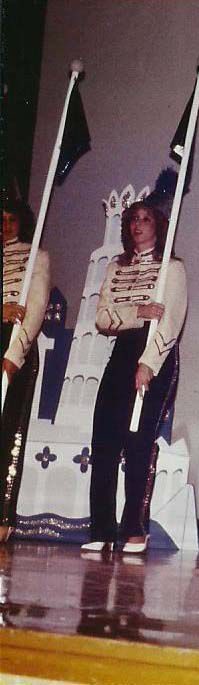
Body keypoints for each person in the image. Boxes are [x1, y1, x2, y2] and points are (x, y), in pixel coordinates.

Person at [83, 175, 187, 554]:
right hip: (123, 352)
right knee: (105, 440)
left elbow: (170, 323)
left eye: (146, 218)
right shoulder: (116, 268)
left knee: (139, 441)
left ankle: (135, 529)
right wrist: (137, 312)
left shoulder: (172, 268)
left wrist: (149, 364)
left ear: (158, 224)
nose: (138, 224)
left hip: (157, 354)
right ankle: (101, 529)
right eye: (133, 219)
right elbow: (103, 317)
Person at [1, 195, 50, 542]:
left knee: (9, 434)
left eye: (12, 220)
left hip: (14, 345)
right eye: (1, 220)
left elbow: (34, 309)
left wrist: (14, 356)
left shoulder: (37, 257)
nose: (6, 227)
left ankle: (3, 515)